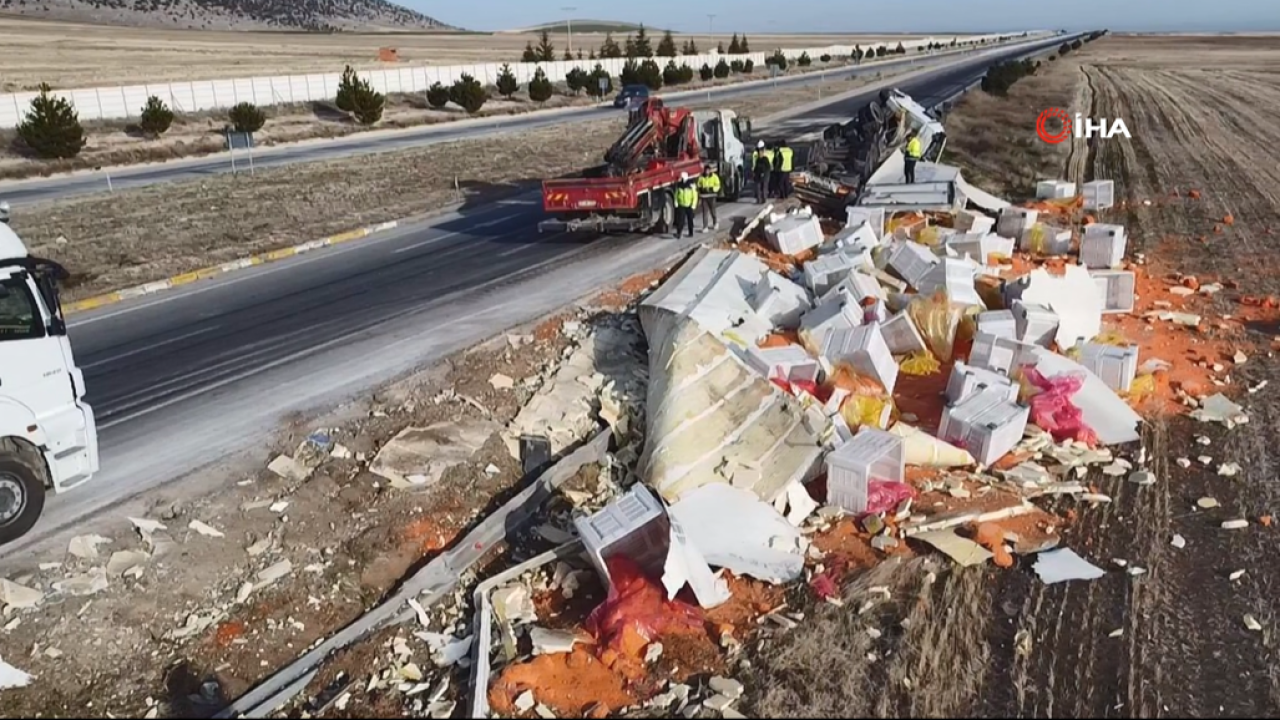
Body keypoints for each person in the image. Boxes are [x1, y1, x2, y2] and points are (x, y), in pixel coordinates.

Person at [696, 164, 721, 232]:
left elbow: (718, 185)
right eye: (706, 170)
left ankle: (715, 223)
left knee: (713, 211)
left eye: (708, 170)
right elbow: (698, 185)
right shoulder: (701, 177)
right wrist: (701, 189)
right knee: (705, 212)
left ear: (710, 170)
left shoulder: (714, 177)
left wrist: (712, 189)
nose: (707, 172)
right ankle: (705, 227)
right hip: (704, 197)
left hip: (711, 196)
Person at [673, 173, 698, 239]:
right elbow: (676, 194)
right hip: (681, 204)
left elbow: (695, 195)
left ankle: (691, 232)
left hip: (689, 205)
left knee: (690, 219)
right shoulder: (679, 185)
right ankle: (679, 233)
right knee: (680, 219)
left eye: (682, 178)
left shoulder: (691, 185)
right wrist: (676, 202)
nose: (681, 179)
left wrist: (693, 205)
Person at [751, 140, 773, 204]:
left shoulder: (755, 154)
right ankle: (763, 199)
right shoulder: (767, 153)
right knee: (764, 186)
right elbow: (769, 165)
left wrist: (754, 172)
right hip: (765, 172)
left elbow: (754, 164)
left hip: (758, 172)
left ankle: (759, 199)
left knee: (759, 186)